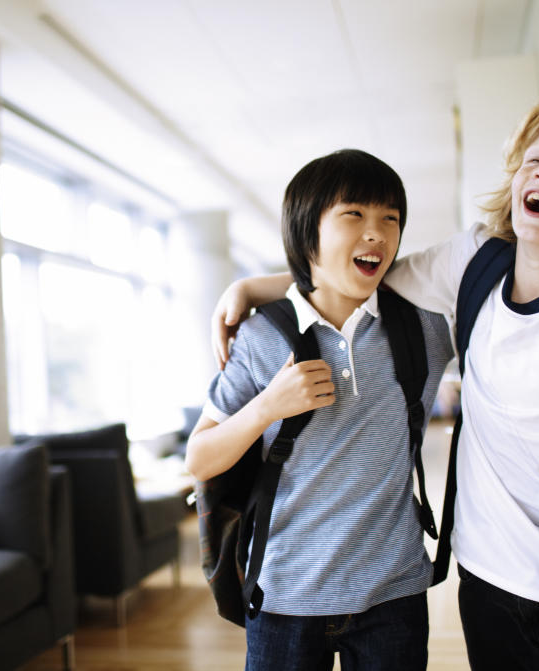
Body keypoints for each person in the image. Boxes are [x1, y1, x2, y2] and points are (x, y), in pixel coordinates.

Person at [212, 100, 539, 671]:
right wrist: (257, 288)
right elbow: (356, 278)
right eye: (535, 159)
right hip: (485, 588)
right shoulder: (476, 261)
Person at [185, 148, 454, 671]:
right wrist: (267, 407)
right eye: (354, 215)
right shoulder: (262, 336)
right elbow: (199, 459)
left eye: (390, 219)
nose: (376, 233)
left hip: (393, 595)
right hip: (286, 597)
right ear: (308, 233)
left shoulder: (422, 329)